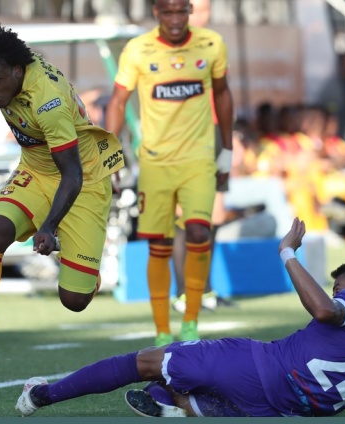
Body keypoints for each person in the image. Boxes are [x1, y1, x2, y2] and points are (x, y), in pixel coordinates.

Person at [12, 217, 345, 417]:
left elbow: (322, 308)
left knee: (145, 360)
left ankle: (43, 396)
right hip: (282, 410)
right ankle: (176, 403)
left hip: (259, 368)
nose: (334, 293)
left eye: (339, 287)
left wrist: (287, 252)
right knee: (181, 375)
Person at [0, 14, 124, 369]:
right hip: (35, 171)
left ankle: (82, 261)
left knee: (74, 300)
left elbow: (72, 175)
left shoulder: (48, 102)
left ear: (18, 71)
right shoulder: (6, 61)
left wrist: (49, 225)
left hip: (82, 179)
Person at [105, 0, 234, 346]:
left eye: (180, 11)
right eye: (167, 12)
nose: (175, 19)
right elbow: (117, 101)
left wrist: (227, 150)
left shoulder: (211, 44)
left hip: (199, 161)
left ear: (190, 10)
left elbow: (223, 94)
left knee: (198, 230)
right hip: (155, 164)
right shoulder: (137, 49)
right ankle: (162, 330)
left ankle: (191, 321)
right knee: (159, 244)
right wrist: (110, 154)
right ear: (156, 13)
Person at [171, 0, 229, 314]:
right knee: (186, 215)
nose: (201, 14)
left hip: (215, 133)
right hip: (185, 135)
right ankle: (183, 294)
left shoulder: (213, 44)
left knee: (215, 214)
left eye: (206, 7)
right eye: (195, 7)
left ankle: (205, 290)